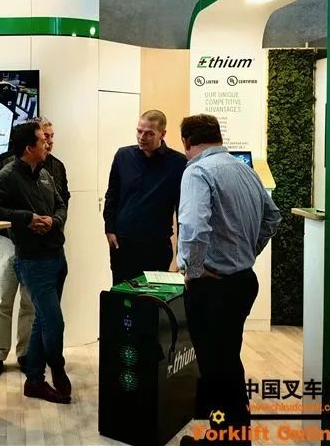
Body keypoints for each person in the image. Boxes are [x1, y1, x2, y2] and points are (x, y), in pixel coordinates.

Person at [176, 114, 281, 446]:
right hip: (242, 282)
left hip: (213, 287)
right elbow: (272, 217)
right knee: (227, 362)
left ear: (186, 141)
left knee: (217, 369)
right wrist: (247, 252)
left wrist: (192, 272)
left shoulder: (197, 171)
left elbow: (193, 229)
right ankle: (233, 433)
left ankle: (225, 437)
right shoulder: (244, 169)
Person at [0, 121, 71, 404]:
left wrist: (54, 220)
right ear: (28, 148)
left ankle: (34, 381)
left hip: (57, 255)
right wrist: (25, 218)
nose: (48, 143)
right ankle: (56, 366)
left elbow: (61, 203)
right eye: (43, 140)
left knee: (40, 321)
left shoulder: (45, 172)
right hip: (32, 260)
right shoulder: (8, 174)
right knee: (53, 322)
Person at [103, 110, 187, 285]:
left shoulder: (178, 163)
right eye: (139, 131)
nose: (142, 137)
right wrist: (109, 228)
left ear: (162, 134)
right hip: (123, 244)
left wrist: (183, 249)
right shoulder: (123, 156)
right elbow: (112, 195)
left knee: (152, 298)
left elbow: (182, 209)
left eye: (149, 133)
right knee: (122, 296)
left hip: (155, 246)